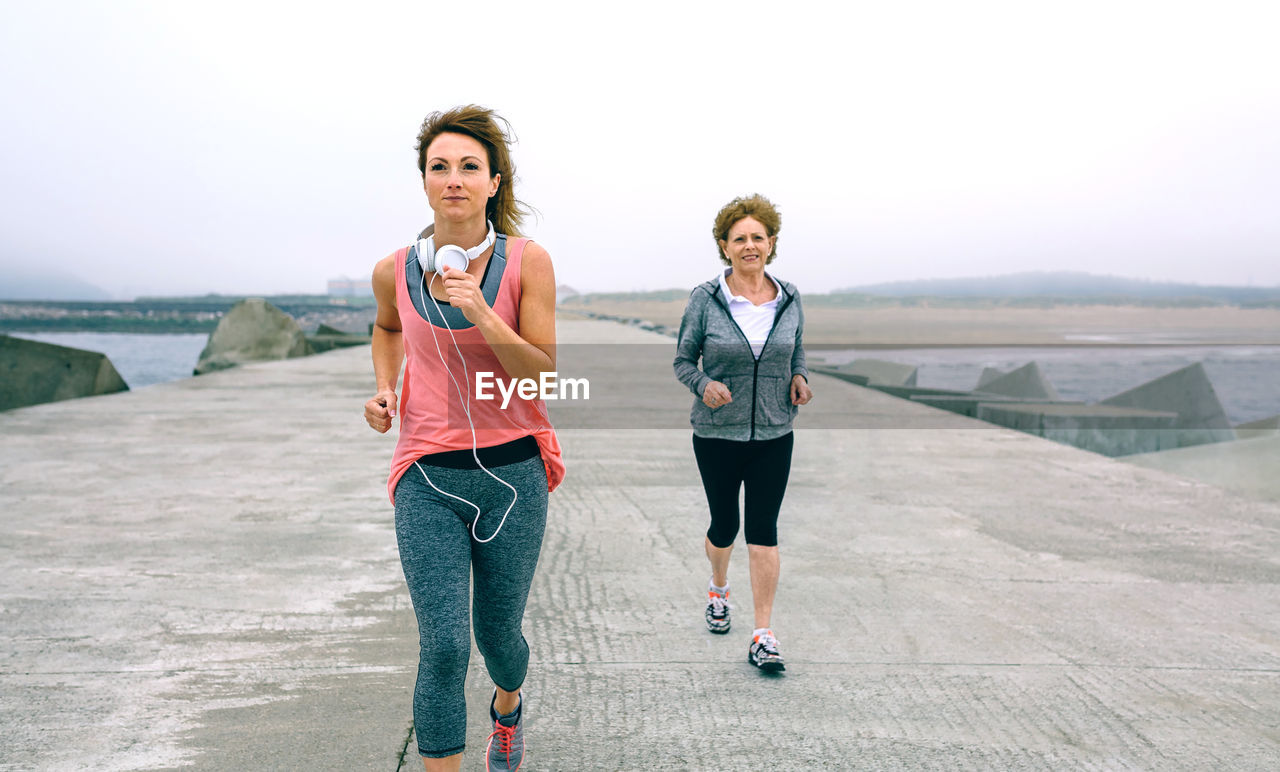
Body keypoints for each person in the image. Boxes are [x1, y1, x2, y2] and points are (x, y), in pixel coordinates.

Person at [364, 105, 564, 772]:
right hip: (426, 475)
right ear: (423, 182)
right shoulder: (393, 269)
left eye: (468, 167)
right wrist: (388, 385)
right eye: (439, 167)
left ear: (494, 182)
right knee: (445, 647)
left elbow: (540, 371)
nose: (454, 178)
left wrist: (479, 309)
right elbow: (389, 328)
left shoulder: (528, 264)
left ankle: (507, 708)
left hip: (512, 478)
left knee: (497, 636)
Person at [673, 193, 813, 674]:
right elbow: (682, 361)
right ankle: (718, 586)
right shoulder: (706, 300)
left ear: (770, 243)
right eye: (740, 239)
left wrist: (800, 378)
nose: (749, 245)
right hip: (716, 435)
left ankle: (763, 634)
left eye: (758, 237)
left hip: (775, 433)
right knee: (723, 527)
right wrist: (705, 384)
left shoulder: (790, 297)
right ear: (724, 246)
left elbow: (797, 352)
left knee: (764, 532)